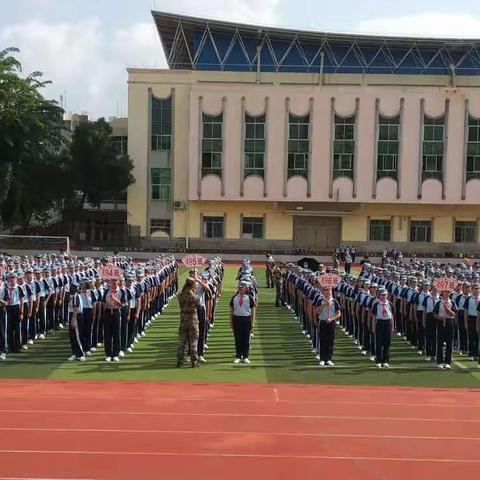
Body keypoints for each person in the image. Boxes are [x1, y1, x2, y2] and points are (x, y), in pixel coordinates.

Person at [230, 281, 256, 364]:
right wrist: (231, 321)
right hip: (236, 318)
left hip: (246, 319)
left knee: (246, 339)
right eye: (239, 288)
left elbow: (253, 310)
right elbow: (231, 310)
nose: (240, 289)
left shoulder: (249, 298)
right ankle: (238, 356)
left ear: (246, 289)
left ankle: (245, 356)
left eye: (242, 288)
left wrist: (253, 321)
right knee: (237, 338)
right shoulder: (234, 298)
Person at [176, 277, 201, 368]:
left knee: (182, 342)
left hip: (183, 320)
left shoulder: (180, 295)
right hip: (193, 320)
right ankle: (194, 361)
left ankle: (179, 361)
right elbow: (199, 306)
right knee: (193, 342)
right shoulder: (195, 297)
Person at [316, 286, 341, 367]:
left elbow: (338, 313)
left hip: (331, 323)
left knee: (330, 341)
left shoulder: (334, 302)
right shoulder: (320, 300)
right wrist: (323, 305)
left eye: (329, 290)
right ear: (323, 291)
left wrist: (332, 319)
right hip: (323, 322)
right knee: (322, 340)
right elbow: (316, 311)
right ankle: (322, 359)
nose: (327, 291)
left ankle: (329, 359)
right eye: (326, 290)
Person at [434, 288, 458, 369]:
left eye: (448, 292)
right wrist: (440, 318)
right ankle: (440, 362)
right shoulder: (438, 302)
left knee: (449, 343)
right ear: (442, 293)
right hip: (441, 322)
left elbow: (453, 314)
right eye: (445, 292)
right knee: (440, 343)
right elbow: (434, 314)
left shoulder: (452, 302)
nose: (446, 293)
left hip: (450, 322)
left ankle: (448, 362)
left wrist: (447, 308)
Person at [372, 288, 393, 368]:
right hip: (379, 323)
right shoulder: (376, 304)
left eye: (385, 295)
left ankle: (385, 361)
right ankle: (378, 360)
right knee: (379, 343)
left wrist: (392, 326)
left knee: (387, 343)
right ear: (379, 296)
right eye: (382, 295)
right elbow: (373, 316)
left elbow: (392, 316)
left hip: (387, 323)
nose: (383, 296)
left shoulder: (390, 304)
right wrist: (373, 327)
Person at [67, 282, 86, 362]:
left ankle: (81, 354)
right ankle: (75, 353)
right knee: (72, 336)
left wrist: (73, 319)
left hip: (76, 316)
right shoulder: (74, 296)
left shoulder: (75, 296)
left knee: (77, 336)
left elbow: (76, 308)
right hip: (73, 315)